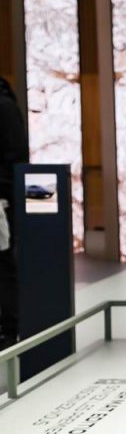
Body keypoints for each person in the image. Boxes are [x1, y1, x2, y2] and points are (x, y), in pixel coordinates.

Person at [0, 77, 28, 347]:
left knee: (3, 261)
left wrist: (6, 191)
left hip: (2, 201)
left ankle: (9, 329)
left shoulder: (4, 106)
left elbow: (16, 155)